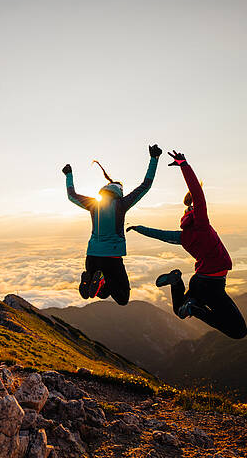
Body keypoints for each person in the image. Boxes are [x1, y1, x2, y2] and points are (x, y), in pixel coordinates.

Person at [127, 150, 247, 339]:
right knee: (239, 331)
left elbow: (160, 235)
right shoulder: (201, 224)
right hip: (212, 284)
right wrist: (184, 164)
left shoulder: (183, 236)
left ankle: (177, 282)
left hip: (200, 281)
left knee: (179, 309)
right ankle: (194, 307)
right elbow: (197, 193)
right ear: (194, 210)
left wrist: (139, 228)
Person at [62, 144, 162, 305]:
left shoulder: (93, 203)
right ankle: (101, 280)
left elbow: (71, 196)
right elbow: (146, 185)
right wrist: (154, 159)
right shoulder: (121, 204)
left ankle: (93, 280)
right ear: (119, 191)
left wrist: (68, 174)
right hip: (112, 258)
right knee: (123, 298)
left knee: (99, 294)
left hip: (92, 256)